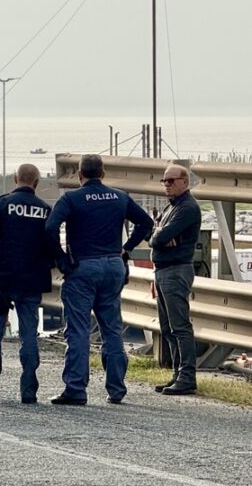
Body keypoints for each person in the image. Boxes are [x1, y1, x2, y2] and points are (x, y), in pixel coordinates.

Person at [44, 154, 153, 405]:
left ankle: (76, 388)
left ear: (79, 175)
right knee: (112, 329)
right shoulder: (119, 197)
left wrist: (61, 258)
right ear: (103, 174)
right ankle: (116, 388)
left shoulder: (71, 198)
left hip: (83, 267)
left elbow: (50, 228)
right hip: (113, 265)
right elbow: (146, 223)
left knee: (79, 329)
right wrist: (126, 249)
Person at [0, 163, 53, 404]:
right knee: (29, 335)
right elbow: (50, 245)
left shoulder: (1, 204)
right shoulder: (45, 210)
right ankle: (29, 393)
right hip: (31, 280)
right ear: (36, 183)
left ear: (16, 179)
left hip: (0, 279)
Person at [150, 164, 201, 395]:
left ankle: (187, 376)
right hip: (163, 270)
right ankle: (177, 374)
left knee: (180, 326)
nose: (167, 185)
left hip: (176, 270)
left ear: (185, 182)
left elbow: (159, 238)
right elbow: (154, 235)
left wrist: (159, 235)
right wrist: (158, 234)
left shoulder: (187, 207)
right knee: (167, 327)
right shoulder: (172, 206)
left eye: (171, 181)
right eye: (164, 181)